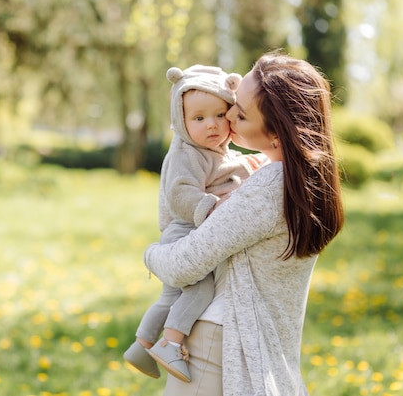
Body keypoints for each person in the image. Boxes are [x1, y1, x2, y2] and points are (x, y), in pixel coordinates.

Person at [143, 51, 345, 396]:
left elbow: (182, 266)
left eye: (242, 113)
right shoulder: (301, 182)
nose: (229, 115)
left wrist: (150, 253)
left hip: (215, 348)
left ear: (277, 135)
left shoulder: (268, 188)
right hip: (247, 345)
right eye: (234, 102)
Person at [123, 65, 265, 383]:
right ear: (181, 121)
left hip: (187, 228)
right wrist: (212, 207)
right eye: (199, 119)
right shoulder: (187, 152)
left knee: (171, 297)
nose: (211, 126)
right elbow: (181, 194)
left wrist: (247, 163)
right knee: (200, 288)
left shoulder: (207, 149)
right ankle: (171, 343)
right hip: (186, 228)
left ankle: (141, 344)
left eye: (219, 115)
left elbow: (221, 169)